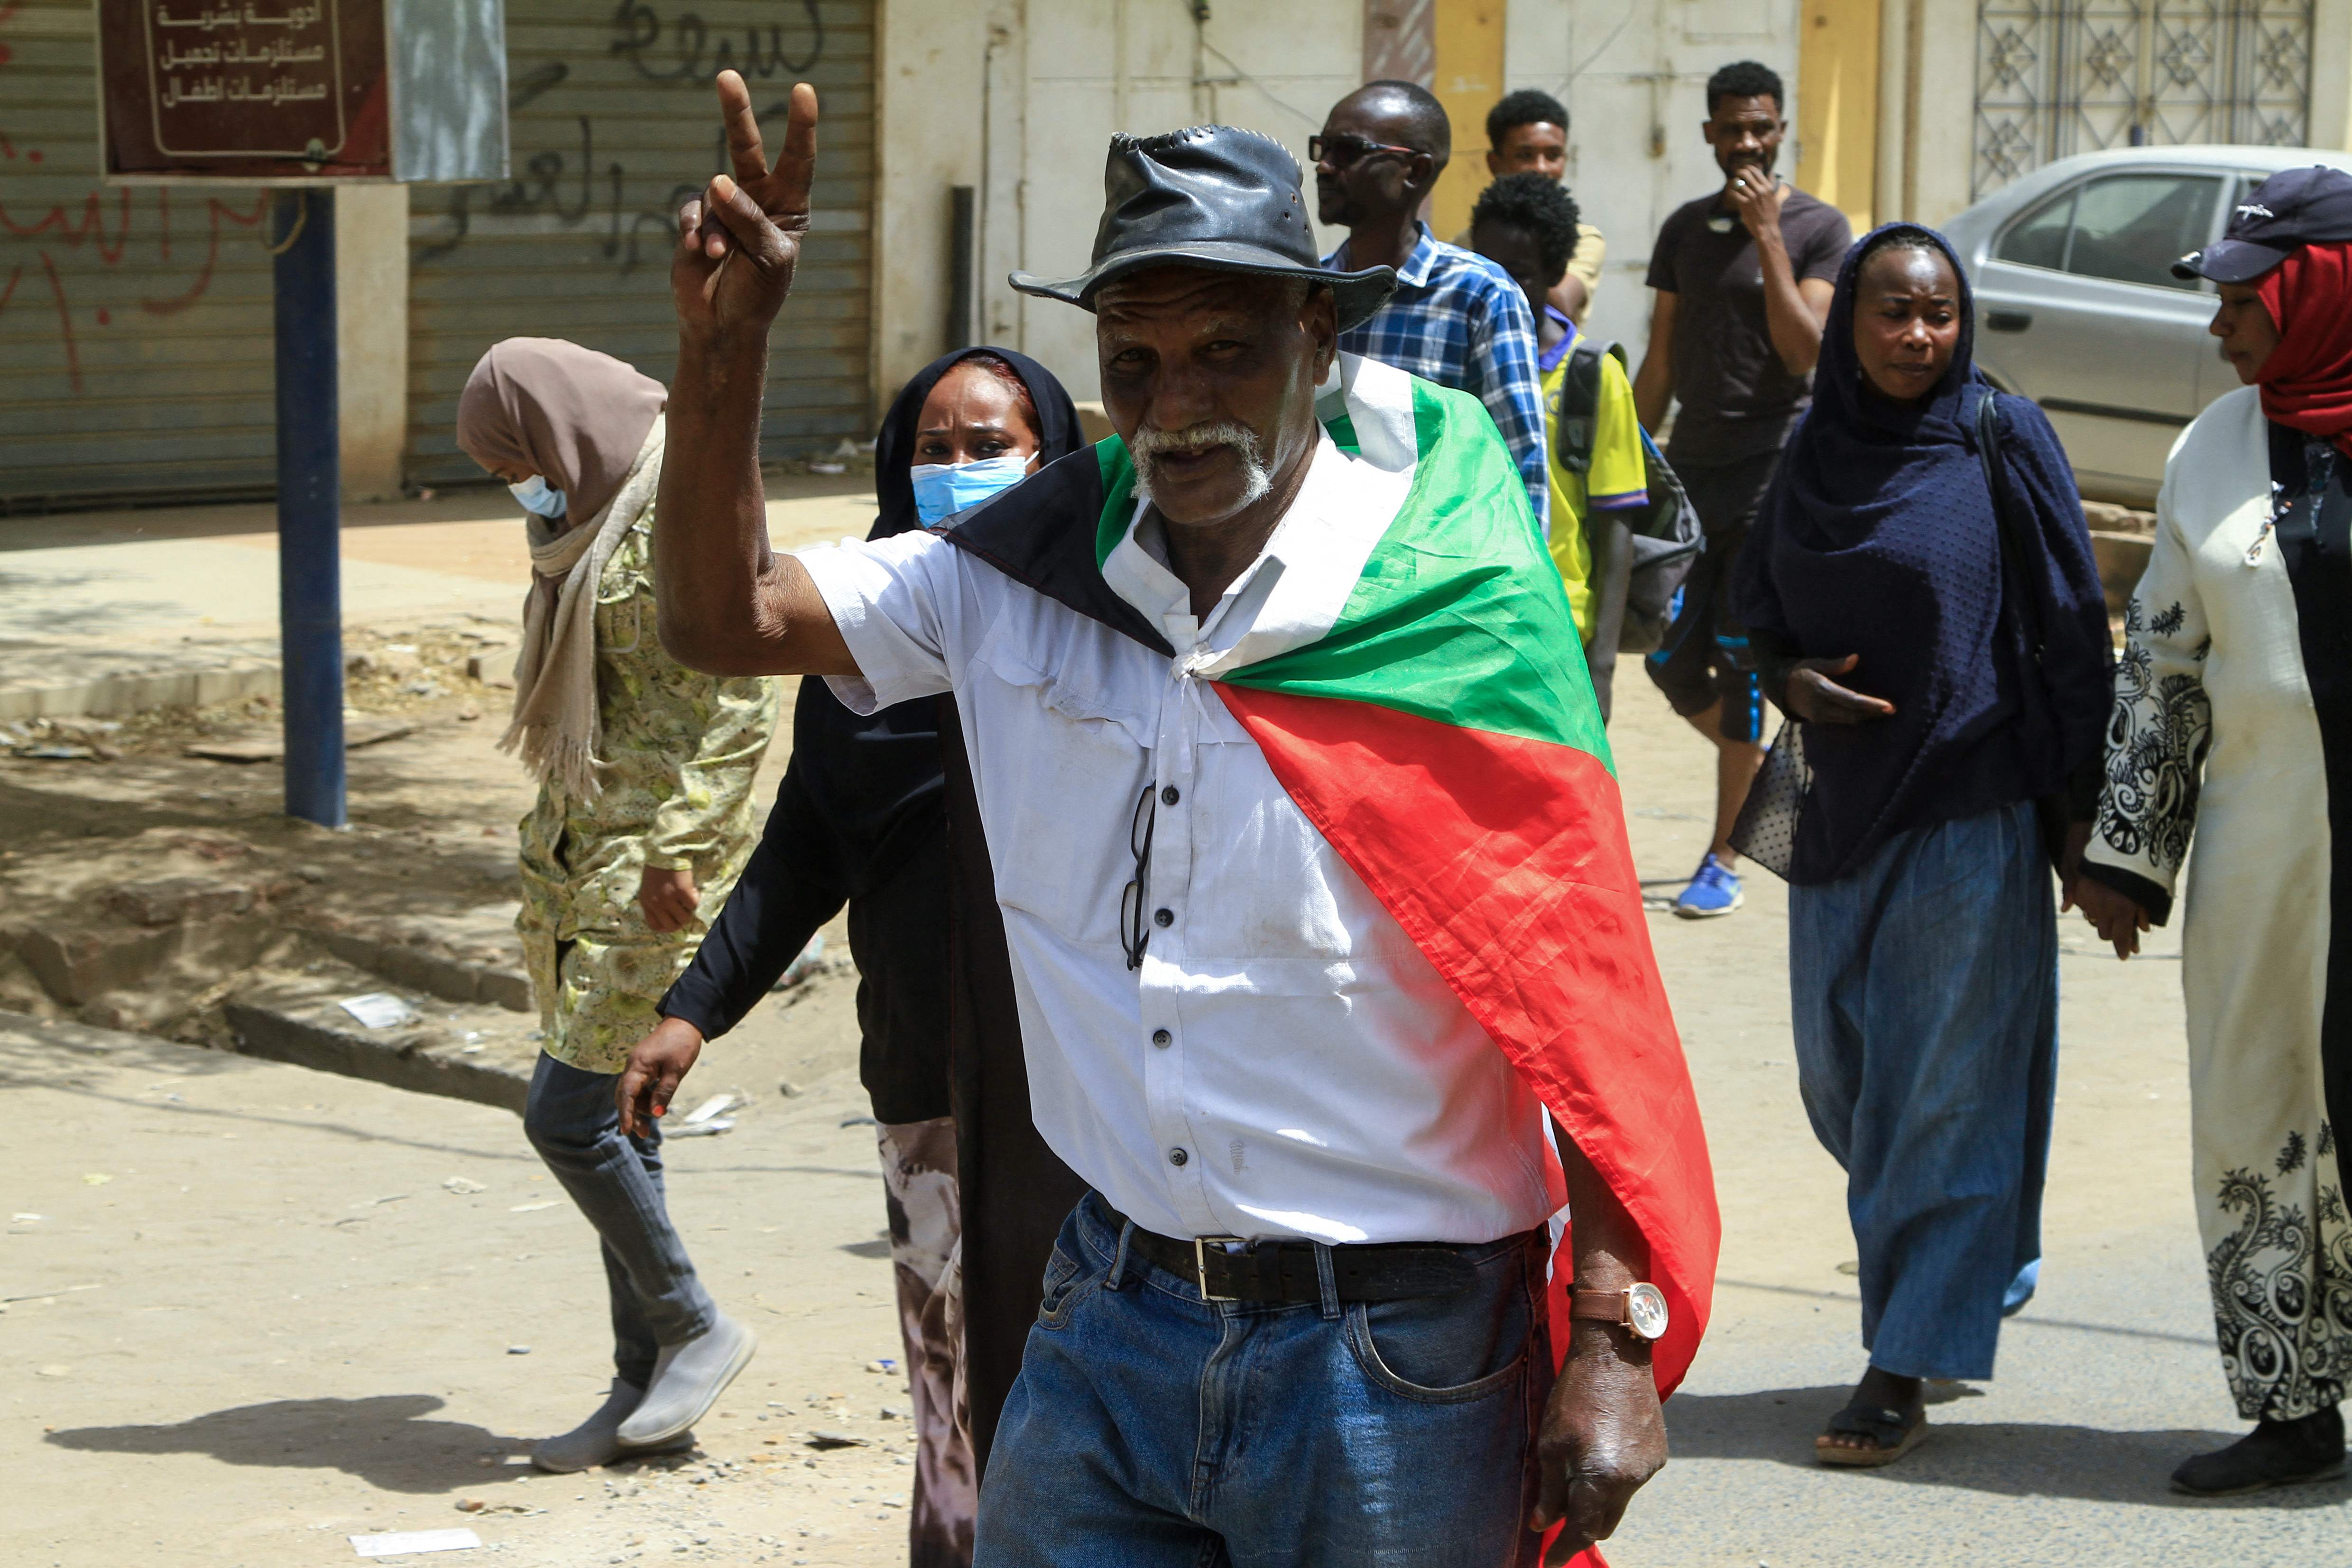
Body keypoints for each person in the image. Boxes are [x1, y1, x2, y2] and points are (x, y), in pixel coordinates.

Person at [637, 76, 1720, 1566]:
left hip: (1396, 1362)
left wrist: (1611, 1330)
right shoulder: (1011, 575)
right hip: (1107, 1319)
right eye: (1133, 362)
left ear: (1319, 342)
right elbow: (719, 617)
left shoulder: (1452, 602)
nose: (1176, 404)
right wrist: (726, 355)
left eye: (1226, 351)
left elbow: (1579, 990)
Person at [628, 347, 1086, 1562]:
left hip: (1089, 1097)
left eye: (988, 446)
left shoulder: (1101, 624)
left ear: (1052, 456)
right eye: (931, 450)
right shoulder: (855, 645)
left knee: (1088, 1387)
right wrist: (694, 1010)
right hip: (926, 1077)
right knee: (950, 1393)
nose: (957, 470)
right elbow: (805, 847)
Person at [1734, 225, 2112, 1466]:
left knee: (1940, 1095)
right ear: (1843, 323)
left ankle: (1896, 1356)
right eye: (1890, 312)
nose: (1914, 336)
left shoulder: (1997, 437)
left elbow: (2068, 622)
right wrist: (1789, 680)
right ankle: (1957, 1263)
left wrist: (2080, 822)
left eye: (1937, 314)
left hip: (1971, 800)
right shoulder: (1809, 451)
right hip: (1833, 805)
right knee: (1841, 1082)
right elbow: (1752, 611)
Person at [453, 337, 782, 1472]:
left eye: (517, 460)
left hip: (652, 878)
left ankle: (694, 1322)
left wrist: (679, 855)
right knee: (622, 1122)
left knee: (568, 1116)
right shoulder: (580, 523)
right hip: (577, 862)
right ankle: (641, 1390)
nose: (521, 488)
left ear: (558, 430)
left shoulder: (684, 505)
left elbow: (737, 707)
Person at [2074, 165, 2352, 1497]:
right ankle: (2289, 1407)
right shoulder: (2213, 448)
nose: (2217, 327)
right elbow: (2162, 663)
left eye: (2241, 298)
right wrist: (2126, 852)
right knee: (2252, 1101)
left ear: (2320, 290)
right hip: (2264, 849)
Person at [1634, 59, 1851, 919]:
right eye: (1730, 129)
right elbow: (1658, 358)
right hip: (1691, 467)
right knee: (1660, 652)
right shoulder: (1684, 229)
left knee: (1738, 663)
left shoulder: (1817, 228)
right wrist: (1631, 458)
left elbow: (1805, 352)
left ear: (1780, 127)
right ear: (1707, 134)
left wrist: (1766, 233)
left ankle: (1724, 852)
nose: (1746, 144)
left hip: (1775, 467)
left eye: (1760, 128)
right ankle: (1767, 784)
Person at [1314, 79, 1550, 530]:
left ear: (1415, 172)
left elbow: (1521, 465)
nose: (1324, 167)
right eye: (1322, 148)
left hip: (1435, 573)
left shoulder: (1479, 295)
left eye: (1347, 151)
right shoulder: (1310, 294)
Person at [1470, 172, 1649, 715]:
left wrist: (1603, 668)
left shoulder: (1592, 377)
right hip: (1470, 619)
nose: (1499, 290)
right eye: (1486, 270)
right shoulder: (1463, 358)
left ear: (1554, 274)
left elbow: (1616, 525)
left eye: (1518, 275)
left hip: (1559, 628)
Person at [1451, 89, 1608, 327]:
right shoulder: (1463, 245)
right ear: (1495, 163)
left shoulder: (1584, 240)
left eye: (1553, 155)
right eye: (1525, 155)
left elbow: (1562, 305)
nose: (1541, 168)